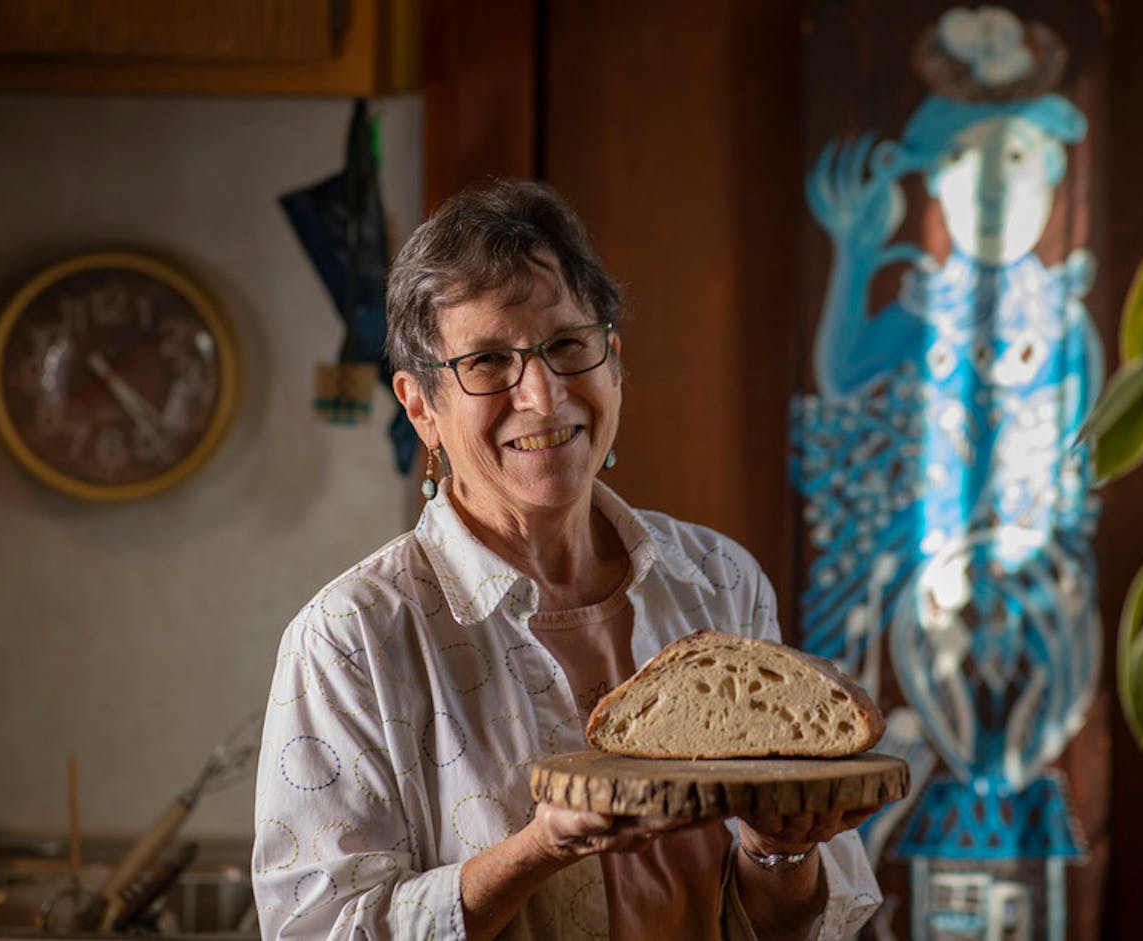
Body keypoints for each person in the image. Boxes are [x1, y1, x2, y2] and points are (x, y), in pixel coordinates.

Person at [252, 180, 883, 940]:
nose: (544, 396)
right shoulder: (351, 637)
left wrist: (779, 851)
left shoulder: (720, 579)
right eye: (487, 361)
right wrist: (537, 849)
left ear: (612, 361)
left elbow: (788, 923)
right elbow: (322, 930)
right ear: (421, 408)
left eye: (566, 345)